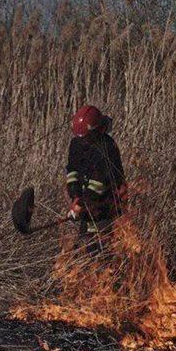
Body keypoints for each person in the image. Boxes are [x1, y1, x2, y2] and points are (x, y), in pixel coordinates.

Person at [64, 105, 126, 253]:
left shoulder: (107, 148)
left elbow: (100, 183)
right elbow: (72, 170)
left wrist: (80, 204)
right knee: (85, 244)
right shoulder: (76, 144)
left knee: (100, 249)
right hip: (87, 205)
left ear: (95, 132)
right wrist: (75, 195)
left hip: (107, 207)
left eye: (85, 137)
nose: (82, 141)